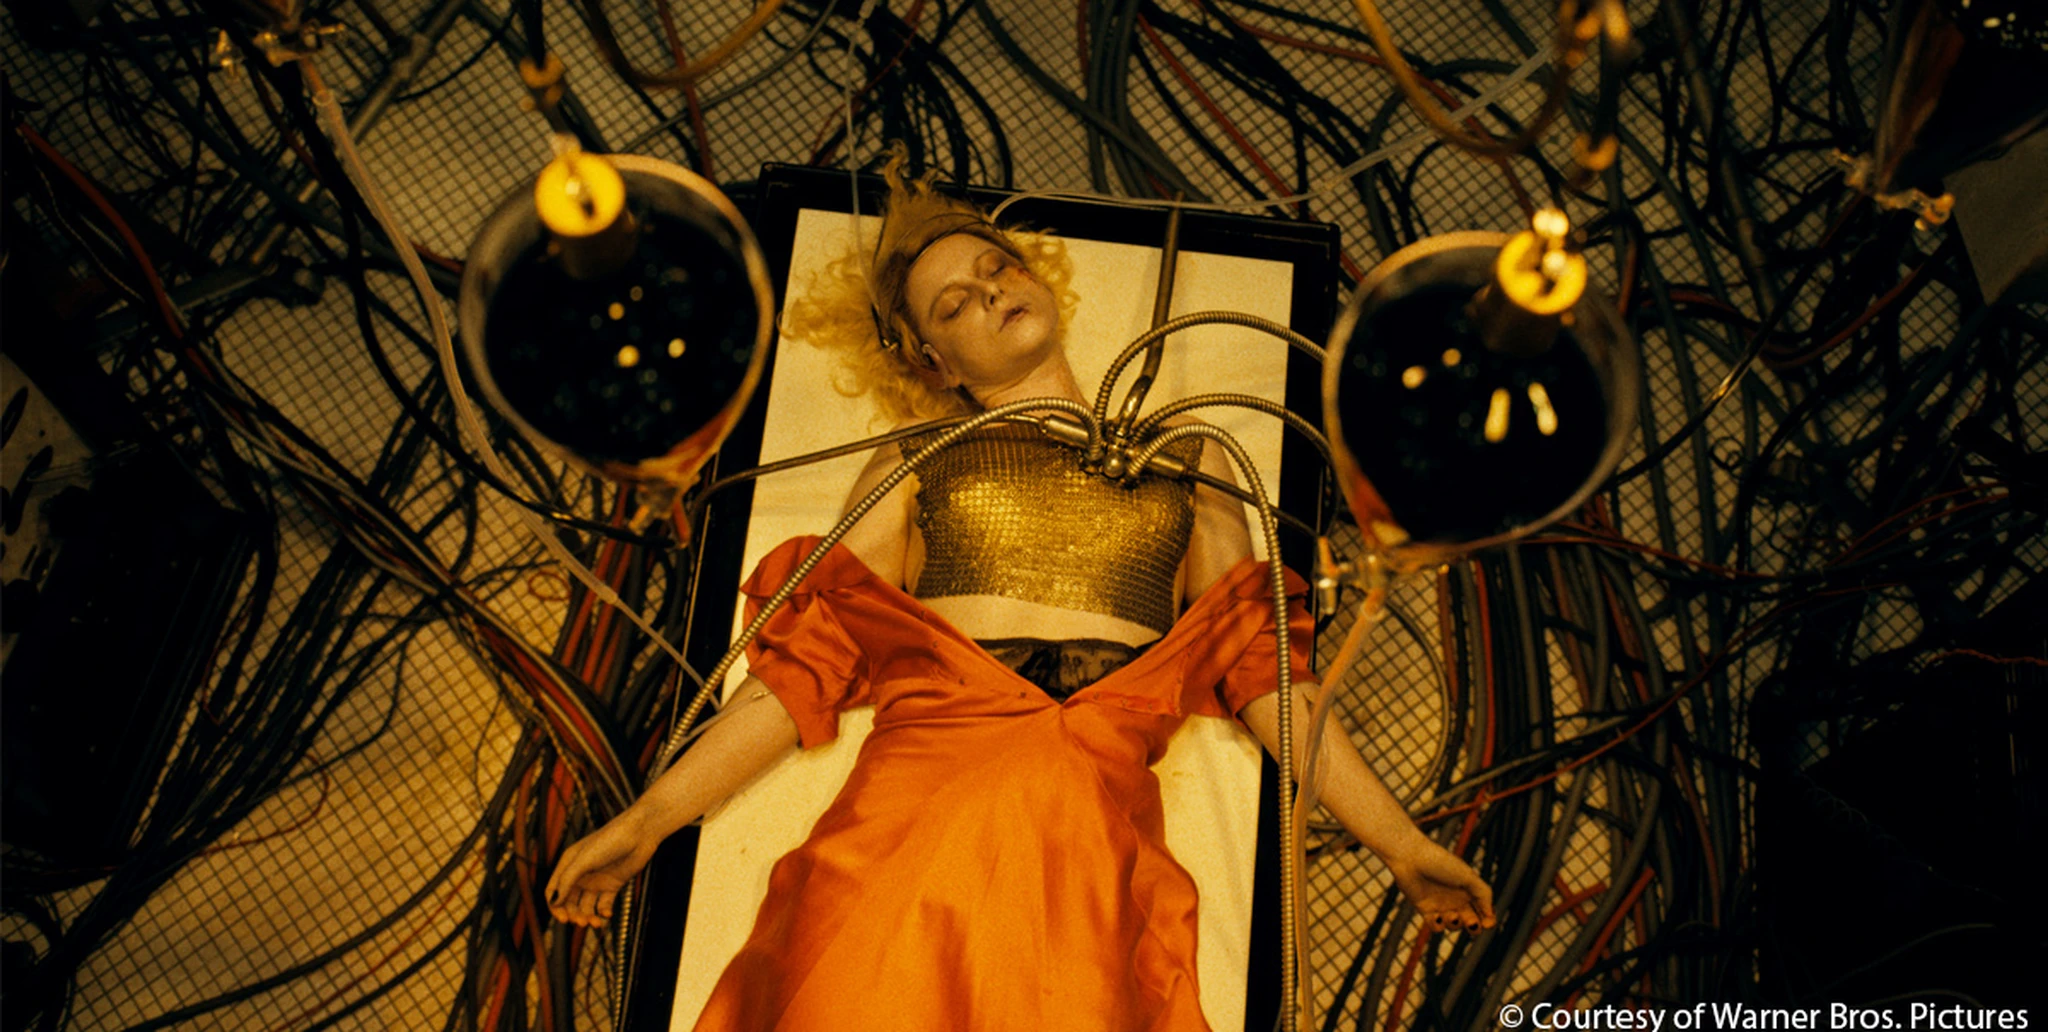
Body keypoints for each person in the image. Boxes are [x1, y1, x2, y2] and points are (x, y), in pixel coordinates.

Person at [546, 157, 1495, 1031]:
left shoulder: (1191, 456)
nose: (990, 291)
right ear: (934, 362)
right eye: (953, 304)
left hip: (1084, 859)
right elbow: (797, 675)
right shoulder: (918, 457)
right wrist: (648, 821)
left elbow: (1271, 684)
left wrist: (1402, 846)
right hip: (906, 842)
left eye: (996, 268)